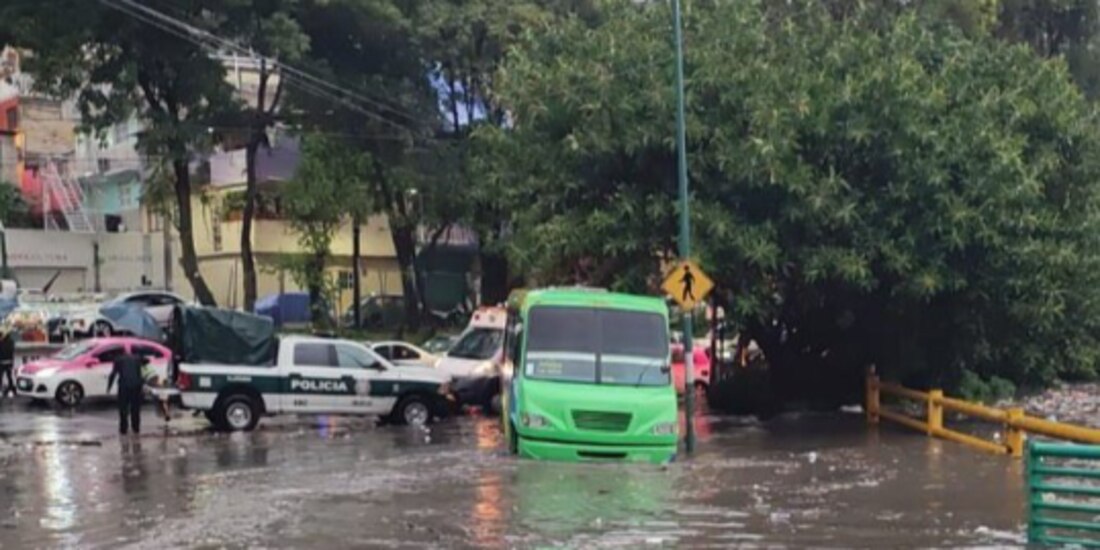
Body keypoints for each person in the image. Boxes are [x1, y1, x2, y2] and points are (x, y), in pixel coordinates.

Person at [107, 350, 149, 435]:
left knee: (123, 408)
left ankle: (123, 429)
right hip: (136, 386)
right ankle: (136, 428)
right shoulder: (137, 358)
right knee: (135, 408)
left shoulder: (118, 360)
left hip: (124, 386)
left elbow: (113, 374)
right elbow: (147, 360)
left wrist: (109, 387)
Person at [0, 326, 15, 398]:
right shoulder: (11, 341)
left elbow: (8, 351)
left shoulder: (6, 342)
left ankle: (8, 390)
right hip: (7, 361)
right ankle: (9, 390)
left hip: (4, 361)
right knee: (8, 377)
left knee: (6, 377)